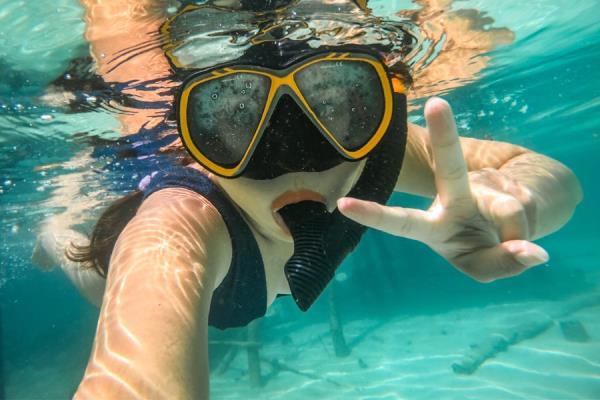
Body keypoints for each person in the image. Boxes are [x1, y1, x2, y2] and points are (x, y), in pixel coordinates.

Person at [31, 0, 582, 398]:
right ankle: (55, 234)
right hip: (160, 286)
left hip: (251, 285)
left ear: (371, 107)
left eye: (338, 106)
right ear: (197, 137)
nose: (297, 159)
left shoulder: (373, 153)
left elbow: (547, 175)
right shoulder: (179, 223)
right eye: (234, 119)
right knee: (92, 277)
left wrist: (520, 202)